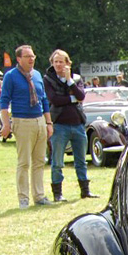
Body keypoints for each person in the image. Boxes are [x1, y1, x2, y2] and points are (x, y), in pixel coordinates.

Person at [0, 44, 54, 208]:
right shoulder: (11, 76)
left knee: (39, 161)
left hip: (39, 121)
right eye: (28, 56)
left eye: (33, 56)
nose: (31, 59)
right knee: (24, 162)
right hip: (22, 121)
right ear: (19, 59)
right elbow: (4, 101)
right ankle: (23, 198)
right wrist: (6, 123)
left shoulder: (37, 75)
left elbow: (44, 100)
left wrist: (48, 122)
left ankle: (39, 196)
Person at [43, 49, 97, 201]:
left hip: (78, 123)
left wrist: (69, 81)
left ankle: (85, 191)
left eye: (61, 62)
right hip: (59, 125)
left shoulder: (76, 78)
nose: (58, 65)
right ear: (52, 63)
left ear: (68, 63)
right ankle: (58, 194)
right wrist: (72, 99)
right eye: (56, 62)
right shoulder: (48, 79)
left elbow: (81, 96)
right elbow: (54, 99)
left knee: (81, 161)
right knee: (58, 162)